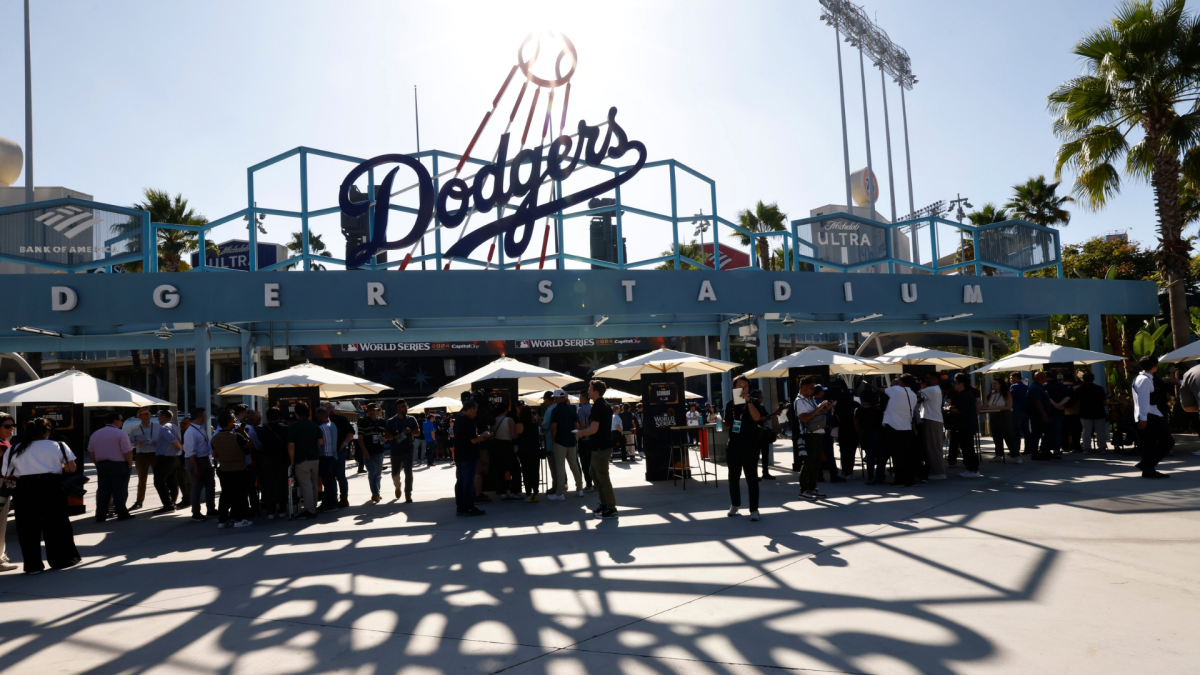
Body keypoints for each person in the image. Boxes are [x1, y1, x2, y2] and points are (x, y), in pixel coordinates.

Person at [1, 418, 81, 574]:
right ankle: (62, 560)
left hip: (25, 488)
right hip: (52, 487)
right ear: (47, 431)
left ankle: (33, 566)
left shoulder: (15, 448)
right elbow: (71, 468)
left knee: (27, 528)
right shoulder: (58, 445)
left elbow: (6, 473)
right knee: (57, 524)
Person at [575, 380, 618, 519]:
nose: (588, 390)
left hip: (601, 447)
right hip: (600, 446)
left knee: (602, 476)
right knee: (594, 473)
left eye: (590, 388)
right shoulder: (602, 404)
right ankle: (605, 504)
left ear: (596, 392)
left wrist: (581, 433)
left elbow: (593, 429)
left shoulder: (599, 406)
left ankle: (611, 508)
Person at [88, 411, 136, 523]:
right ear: (115, 421)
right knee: (119, 490)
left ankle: (101, 515)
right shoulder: (120, 433)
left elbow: (90, 451)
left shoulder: (96, 433)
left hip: (102, 464)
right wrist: (129, 463)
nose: (122, 422)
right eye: (121, 420)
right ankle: (121, 513)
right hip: (119, 465)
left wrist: (97, 463)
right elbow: (127, 451)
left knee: (103, 490)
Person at [210, 410, 252, 528]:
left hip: (224, 469)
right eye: (234, 418)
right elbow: (250, 445)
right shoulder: (237, 436)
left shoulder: (215, 437)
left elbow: (215, 456)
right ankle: (239, 519)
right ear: (229, 421)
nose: (236, 420)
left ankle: (222, 520)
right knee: (240, 495)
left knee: (225, 495)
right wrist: (243, 431)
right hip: (239, 469)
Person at [1133, 355, 1172, 479]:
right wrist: (1144, 418)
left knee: (1149, 444)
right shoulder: (1145, 380)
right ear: (1154, 367)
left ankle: (1148, 470)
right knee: (1167, 442)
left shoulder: (1141, 378)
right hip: (1150, 415)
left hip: (1148, 415)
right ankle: (1146, 465)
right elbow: (1144, 400)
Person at [795, 376, 834, 500]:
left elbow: (815, 416)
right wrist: (819, 408)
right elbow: (805, 418)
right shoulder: (799, 401)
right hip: (808, 434)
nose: (813, 391)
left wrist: (825, 409)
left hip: (818, 432)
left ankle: (812, 488)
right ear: (804, 387)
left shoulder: (810, 399)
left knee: (816, 463)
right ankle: (803, 490)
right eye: (811, 388)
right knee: (808, 464)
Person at [287, 402, 323, 519]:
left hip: (302, 460)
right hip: (315, 458)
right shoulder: (315, 426)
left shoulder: (293, 427)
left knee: (305, 485)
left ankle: (310, 510)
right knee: (313, 484)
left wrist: (292, 462)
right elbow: (320, 442)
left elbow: (291, 446)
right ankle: (313, 506)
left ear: (296, 413)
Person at [454, 400, 490, 516]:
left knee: (460, 482)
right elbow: (473, 439)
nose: (475, 414)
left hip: (460, 456)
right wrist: (484, 435)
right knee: (468, 482)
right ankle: (469, 507)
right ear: (470, 410)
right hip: (469, 456)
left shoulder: (457, 421)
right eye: (474, 412)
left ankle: (461, 507)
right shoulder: (468, 422)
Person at [882, 375, 920, 486]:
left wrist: (890, 386)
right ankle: (910, 480)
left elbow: (883, 390)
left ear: (902, 382)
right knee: (908, 456)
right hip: (907, 427)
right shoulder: (913, 395)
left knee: (897, 455)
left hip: (894, 427)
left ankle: (899, 480)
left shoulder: (896, 389)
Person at [945, 374, 982, 478]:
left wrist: (949, 409)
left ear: (961, 384)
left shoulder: (965, 395)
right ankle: (971, 469)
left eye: (955, 383)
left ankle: (973, 470)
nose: (954, 385)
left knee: (968, 448)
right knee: (966, 448)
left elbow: (961, 410)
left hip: (965, 426)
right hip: (966, 425)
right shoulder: (965, 394)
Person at [256, 407, 291, 519]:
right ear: (279, 416)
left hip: (266, 459)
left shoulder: (261, 430)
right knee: (282, 484)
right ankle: (282, 509)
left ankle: (270, 511)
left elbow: (258, 445)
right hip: (282, 459)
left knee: (268, 485)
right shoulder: (286, 429)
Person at [548, 389, 582, 500]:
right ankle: (580, 489)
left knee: (560, 467)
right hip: (571, 440)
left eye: (554, 397)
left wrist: (553, 440)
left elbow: (553, 427)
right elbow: (576, 425)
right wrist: (575, 437)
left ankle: (559, 493)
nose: (554, 399)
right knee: (574, 465)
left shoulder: (555, 410)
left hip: (560, 441)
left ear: (557, 398)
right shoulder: (571, 409)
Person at [183, 408, 215, 521]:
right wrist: (196, 467)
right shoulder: (191, 432)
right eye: (205, 415)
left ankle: (211, 509)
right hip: (196, 460)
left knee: (210, 485)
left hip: (204, 459)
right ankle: (196, 512)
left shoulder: (200, 428)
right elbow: (191, 452)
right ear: (200, 416)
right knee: (197, 486)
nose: (206, 417)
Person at [385, 399, 420, 503]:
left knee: (408, 472)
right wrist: (395, 436)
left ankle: (408, 494)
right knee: (395, 474)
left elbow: (418, 432)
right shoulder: (391, 421)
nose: (406, 408)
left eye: (406, 406)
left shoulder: (411, 419)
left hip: (408, 449)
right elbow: (387, 435)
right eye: (403, 407)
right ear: (397, 408)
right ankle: (397, 486)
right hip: (396, 451)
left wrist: (411, 432)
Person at [322, 402, 354, 506]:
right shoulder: (322, 421)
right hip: (327, 452)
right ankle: (334, 497)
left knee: (340, 475)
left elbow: (350, 432)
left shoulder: (341, 419)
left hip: (340, 450)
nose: (331, 409)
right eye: (328, 408)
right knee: (330, 475)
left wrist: (344, 444)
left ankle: (344, 498)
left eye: (332, 407)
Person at [152, 410, 184, 512]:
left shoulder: (164, 427)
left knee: (159, 482)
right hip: (174, 458)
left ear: (164, 417)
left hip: (165, 458)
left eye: (159, 416)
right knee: (172, 481)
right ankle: (172, 502)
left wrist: (179, 446)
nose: (158, 419)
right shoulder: (175, 426)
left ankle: (168, 505)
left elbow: (171, 438)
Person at [126, 407, 158, 510]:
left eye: (148, 413)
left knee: (160, 479)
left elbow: (164, 440)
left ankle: (167, 501)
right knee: (142, 479)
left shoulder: (157, 427)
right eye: (145, 414)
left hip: (155, 454)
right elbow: (129, 444)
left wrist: (158, 442)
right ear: (139, 417)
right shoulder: (135, 430)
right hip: (141, 455)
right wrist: (137, 444)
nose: (148, 415)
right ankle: (139, 502)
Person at [491, 401, 522, 500]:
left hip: (496, 445)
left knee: (499, 470)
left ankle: (502, 492)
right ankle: (514, 491)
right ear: (506, 410)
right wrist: (518, 433)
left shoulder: (493, 420)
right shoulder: (509, 420)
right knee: (515, 469)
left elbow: (492, 436)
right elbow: (513, 436)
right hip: (507, 445)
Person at [982, 379, 1018, 462]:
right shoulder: (992, 393)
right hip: (993, 415)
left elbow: (1008, 406)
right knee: (996, 434)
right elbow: (988, 405)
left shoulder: (1007, 393)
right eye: (992, 383)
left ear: (1001, 384)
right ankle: (998, 454)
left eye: (995, 383)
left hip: (1004, 415)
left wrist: (997, 408)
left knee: (1007, 434)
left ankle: (1016, 455)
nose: (993, 385)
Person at [855, 390, 886, 485]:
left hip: (867, 435)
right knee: (881, 457)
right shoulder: (878, 410)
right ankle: (879, 476)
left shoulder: (858, 411)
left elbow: (857, 425)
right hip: (880, 434)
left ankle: (870, 477)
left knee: (870, 457)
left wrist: (860, 436)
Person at [357, 404, 387, 502]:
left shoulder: (382, 421)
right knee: (372, 472)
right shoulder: (363, 422)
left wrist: (385, 438)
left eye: (374, 410)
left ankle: (377, 492)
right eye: (371, 411)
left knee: (378, 473)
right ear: (368, 412)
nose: (373, 412)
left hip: (379, 451)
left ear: (377, 411)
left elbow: (386, 434)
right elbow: (360, 438)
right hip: (368, 452)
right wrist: (364, 450)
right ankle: (375, 493)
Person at [919, 375, 946, 479]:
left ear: (935, 379)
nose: (927, 380)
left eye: (929, 378)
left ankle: (939, 473)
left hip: (932, 420)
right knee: (933, 447)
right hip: (934, 420)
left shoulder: (931, 389)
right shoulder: (935, 389)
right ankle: (936, 471)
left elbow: (913, 395)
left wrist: (922, 386)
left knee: (933, 447)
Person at [1076, 371, 1109, 454]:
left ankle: (1086, 448)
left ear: (1083, 379)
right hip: (1099, 412)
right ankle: (1102, 448)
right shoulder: (1099, 388)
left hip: (1085, 412)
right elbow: (1104, 402)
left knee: (1086, 431)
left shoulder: (1079, 389)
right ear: (1093, 379)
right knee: (1100, 431)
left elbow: (1077, 402)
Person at [0, 412, 17, 572]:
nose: (12, 428)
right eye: (7, 426)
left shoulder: (4, 442)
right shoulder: (1, 444)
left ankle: (2, 556)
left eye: (13, 425)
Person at [315, 407, 341, 512]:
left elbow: (320, 443)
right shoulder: (332, 425)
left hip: (325, 456)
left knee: (327, 481)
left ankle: (330, 503)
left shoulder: (321, 428)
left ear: (320, 416)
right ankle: (332, 501)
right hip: (333, 456)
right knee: (331, 480)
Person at [515, 401, 542, 501]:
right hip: (535, 450)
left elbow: (515, 436)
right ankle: (536, 493)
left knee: (526, 472)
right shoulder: (535, 425)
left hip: (524, 451)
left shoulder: (519, 425)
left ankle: (528, 493)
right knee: (535, 472)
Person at [1043, 372, 1071, 459]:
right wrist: (1060, 404)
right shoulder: (1062, 385)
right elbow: (1068, 396)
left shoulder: (1044, 386)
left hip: (1048, 411)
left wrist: (1055, 404)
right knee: (1057, 431)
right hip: (1060, 411)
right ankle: (1057, 449)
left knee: (1047, 431)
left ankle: (1046, 449)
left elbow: (1047, 397)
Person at [834, 388, 860, 480]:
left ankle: (846, 471)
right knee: (851, 452)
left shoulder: (838, 405)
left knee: (844, 452)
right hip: (853, 430)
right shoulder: (855, 405)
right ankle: (850, 471)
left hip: (842, 430)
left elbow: (836, 417)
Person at [1027, 372, 1052, 461]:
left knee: (1044, 433)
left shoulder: (1040, 387)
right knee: (1037, 434)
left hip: (1041, 414)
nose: (1046, 378)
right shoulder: (1035, 388)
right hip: (1037, 415)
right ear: (1041, 378)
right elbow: (1037, 402)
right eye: (1045, 377)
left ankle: (1045, 451)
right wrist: (1044, 414)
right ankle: (1035, 453)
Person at [1009, 372, 1031, 458]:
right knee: (1026, 431)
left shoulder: (1014, 386)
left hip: (1016, 411)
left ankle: (1015, 450)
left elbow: (1010, 397)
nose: (1010, 380)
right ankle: (1028, 449)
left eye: (1011, 378)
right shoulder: (1025, 387)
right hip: (1025, 411)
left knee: (1016, 431)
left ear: (1015, 377)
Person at [576, 393, 594, 493]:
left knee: (585, 463)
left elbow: (582, 424)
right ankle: (596, 483)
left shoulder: (581, 410)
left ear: (583, 397)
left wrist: (579, 432)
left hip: (585, 439)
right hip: (593, 438)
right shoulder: (593, 408)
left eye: (580, 397)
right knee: (593, 462)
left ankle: (589, 484)